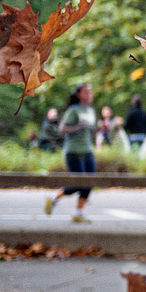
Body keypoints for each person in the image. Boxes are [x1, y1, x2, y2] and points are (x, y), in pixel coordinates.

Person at [45, 83, 98, 223]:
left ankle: (77, 213)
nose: (89, 94)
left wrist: (99, 129)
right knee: (78, 183)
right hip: (74, 151)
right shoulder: (73, 110)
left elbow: (90, 131)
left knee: (90, 182)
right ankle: (54, 198)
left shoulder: (91, 111)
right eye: (86, 92)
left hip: (88, 151)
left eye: (90, 91)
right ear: (79, 94)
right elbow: (62, 129)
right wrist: (79, 126)